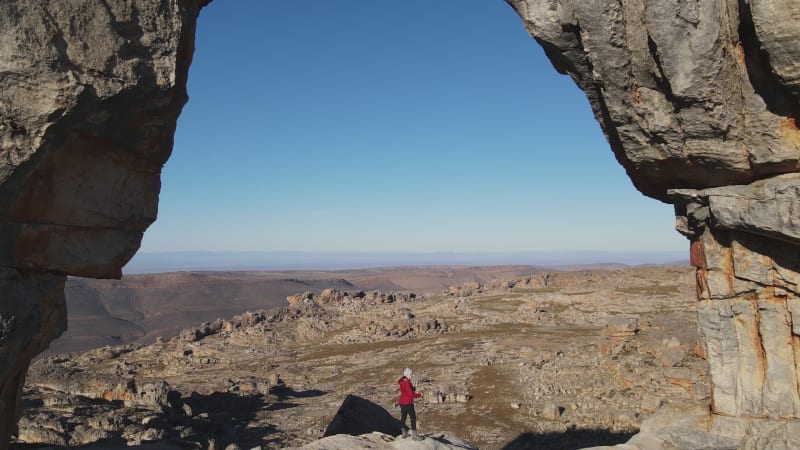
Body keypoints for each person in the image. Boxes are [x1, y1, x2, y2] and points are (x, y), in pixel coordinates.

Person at [397, 367, 423, 440]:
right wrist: (420, 395)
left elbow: (406, 391)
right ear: (407, 375)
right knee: (413, 418)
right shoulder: (407, 383)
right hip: (408, 402)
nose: (412, 375)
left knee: (403, 417)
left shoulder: (402, 382)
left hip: (402, 402)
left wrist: (413, 388)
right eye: (411, 374)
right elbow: (411, 394)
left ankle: (404, 433)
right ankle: (414, 436)